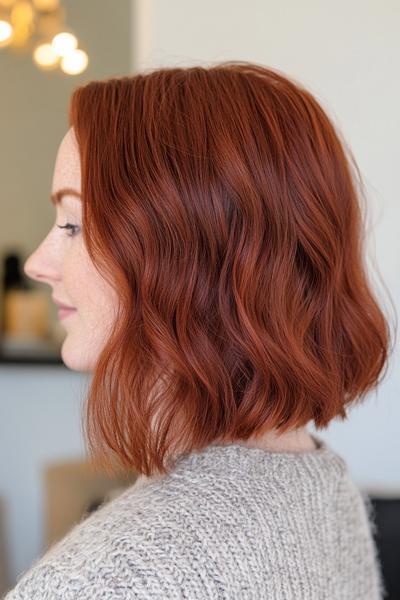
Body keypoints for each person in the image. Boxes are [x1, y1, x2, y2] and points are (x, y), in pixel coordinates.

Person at [6, 61, 390, 599]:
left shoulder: (99, 584)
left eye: (73, 224)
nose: (39, 263)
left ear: (183, 255)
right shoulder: (323, 489)